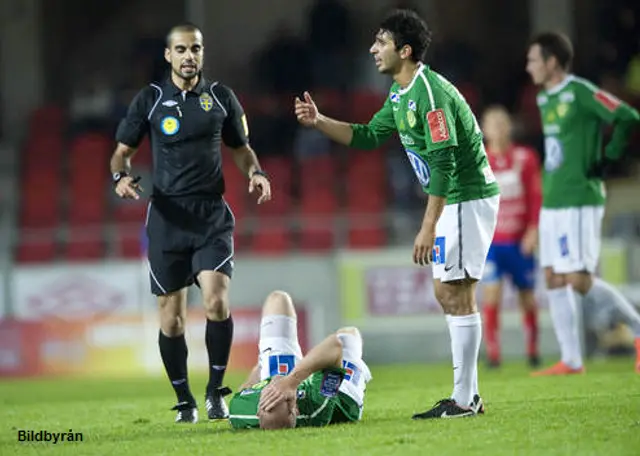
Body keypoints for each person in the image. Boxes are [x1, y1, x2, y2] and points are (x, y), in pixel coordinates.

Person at [294, 9, 499, 418]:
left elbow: (444, 164)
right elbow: (369, 136)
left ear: (404, 51)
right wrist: (320, 123)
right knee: (452, 293)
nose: (372, 49)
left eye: (381, 42)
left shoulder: (430, 94)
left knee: (453, 292)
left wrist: (427, 227)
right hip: (453, 201)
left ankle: (464, 399)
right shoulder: (400, 93)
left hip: (464, 196)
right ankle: (466, 397)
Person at [109, 23, 272, 422]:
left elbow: (242, 148)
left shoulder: (220, 98)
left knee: (217, 300)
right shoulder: (149, 99)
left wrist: (255, 172)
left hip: (211, 215)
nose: (189, 56)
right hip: (166, 217)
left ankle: (216, 392)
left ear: (202, 53)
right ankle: (184, 400)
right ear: (168, 56)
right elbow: (121, 153)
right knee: (173, 316)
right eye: (180, 49)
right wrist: (121, 177)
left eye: (195, 49)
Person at [525, 32, 640, 376]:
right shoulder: (545, 98)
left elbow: (627, 116)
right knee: (554, 277)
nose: (528, 67)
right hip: (554, 198)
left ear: (552, 62)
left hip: (580, 198)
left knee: (577, 277)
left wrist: (610, 156)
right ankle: (572, 360)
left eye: (533, 60)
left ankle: (637, 327)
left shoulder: (580, 92)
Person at [228, 290, 372, 429]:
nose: (277, 391)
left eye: (272, 394)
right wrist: (290, 382)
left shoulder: (240, 411)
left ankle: (267, 362)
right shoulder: (319, 404)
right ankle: (291, 370)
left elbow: (245, 388)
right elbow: (335, 347)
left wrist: (262, 369)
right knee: (348, 335)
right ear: (295, 408)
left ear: (258, 411)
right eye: (284, 397)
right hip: (342, 397)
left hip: (283, 383)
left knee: (278, 299)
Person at [480, 106, 542, 368]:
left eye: (502, 122)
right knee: (491, 296)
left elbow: (535, 196)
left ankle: (532, 350)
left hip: (519, 241)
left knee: (527, 296)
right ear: (483, 129)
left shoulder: (525, 158)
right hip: (492, 243)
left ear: (510, 126)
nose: (498, 127)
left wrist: (533, 229)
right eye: (492, 123)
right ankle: (494, 355)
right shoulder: (479, 159)